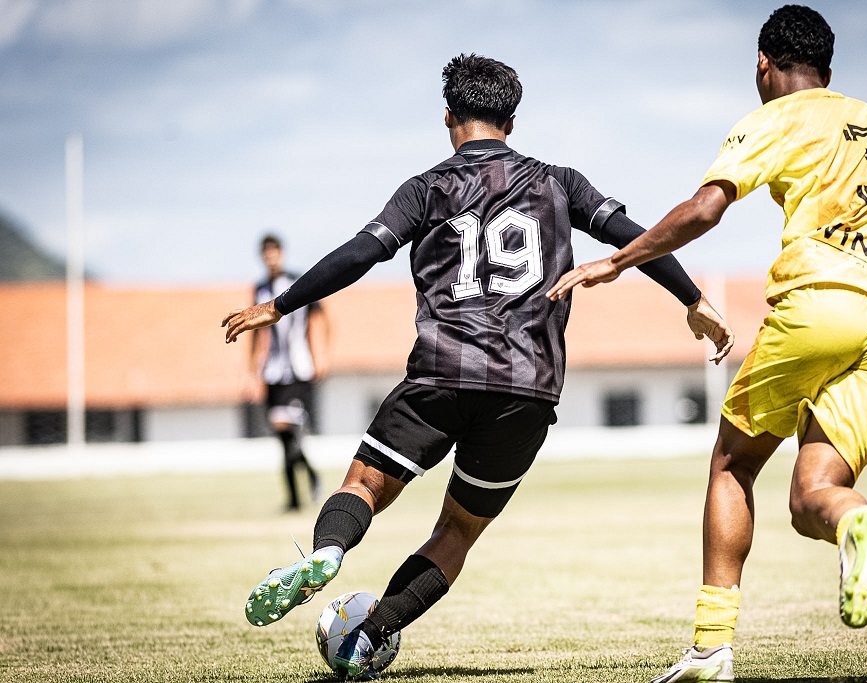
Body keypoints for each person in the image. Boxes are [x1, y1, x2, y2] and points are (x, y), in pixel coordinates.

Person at [222, 54, 733, 680]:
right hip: (526, 388)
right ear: (511, 121)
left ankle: (328, 551)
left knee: (363, 486)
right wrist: (694, 299)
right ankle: (370, 634)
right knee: (458, 530)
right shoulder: (559, 182)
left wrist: (279, 305)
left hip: (438, 375)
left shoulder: (426, 188)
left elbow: (360, 254)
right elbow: (635, 234)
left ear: (448, 117)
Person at [547, 6, 867, 682]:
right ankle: (854, 520)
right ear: (828, 71)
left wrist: (616, 262)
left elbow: (706, 208)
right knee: (814, 497)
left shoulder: (775, 117)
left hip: (818, 307)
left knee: (732, 465)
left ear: (764, 66)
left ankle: (712, 649)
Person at [250, 234, 325, 511]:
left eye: (274, 253)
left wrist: (321, 357)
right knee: (284, 437)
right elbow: (255, 333)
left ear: (281, 253)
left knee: (288, 431)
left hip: (299, 370)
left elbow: (321, 318)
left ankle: (301, 493)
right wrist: (252, 370)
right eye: (266, 254)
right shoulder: (259, 289)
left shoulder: (298, 282)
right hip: (273, 373)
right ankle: (302, 490)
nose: (271, 258)